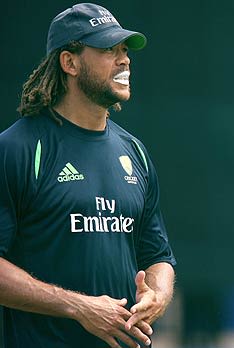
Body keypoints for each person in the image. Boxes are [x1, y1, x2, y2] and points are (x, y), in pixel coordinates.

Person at [0, 3, 176, 347]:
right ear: (70, 63)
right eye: (109, 49)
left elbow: (158, 256)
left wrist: (157, 294)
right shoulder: (18, 149)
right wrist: (78, 307)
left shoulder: (134, 152)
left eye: (125, 50)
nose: (124, 59)